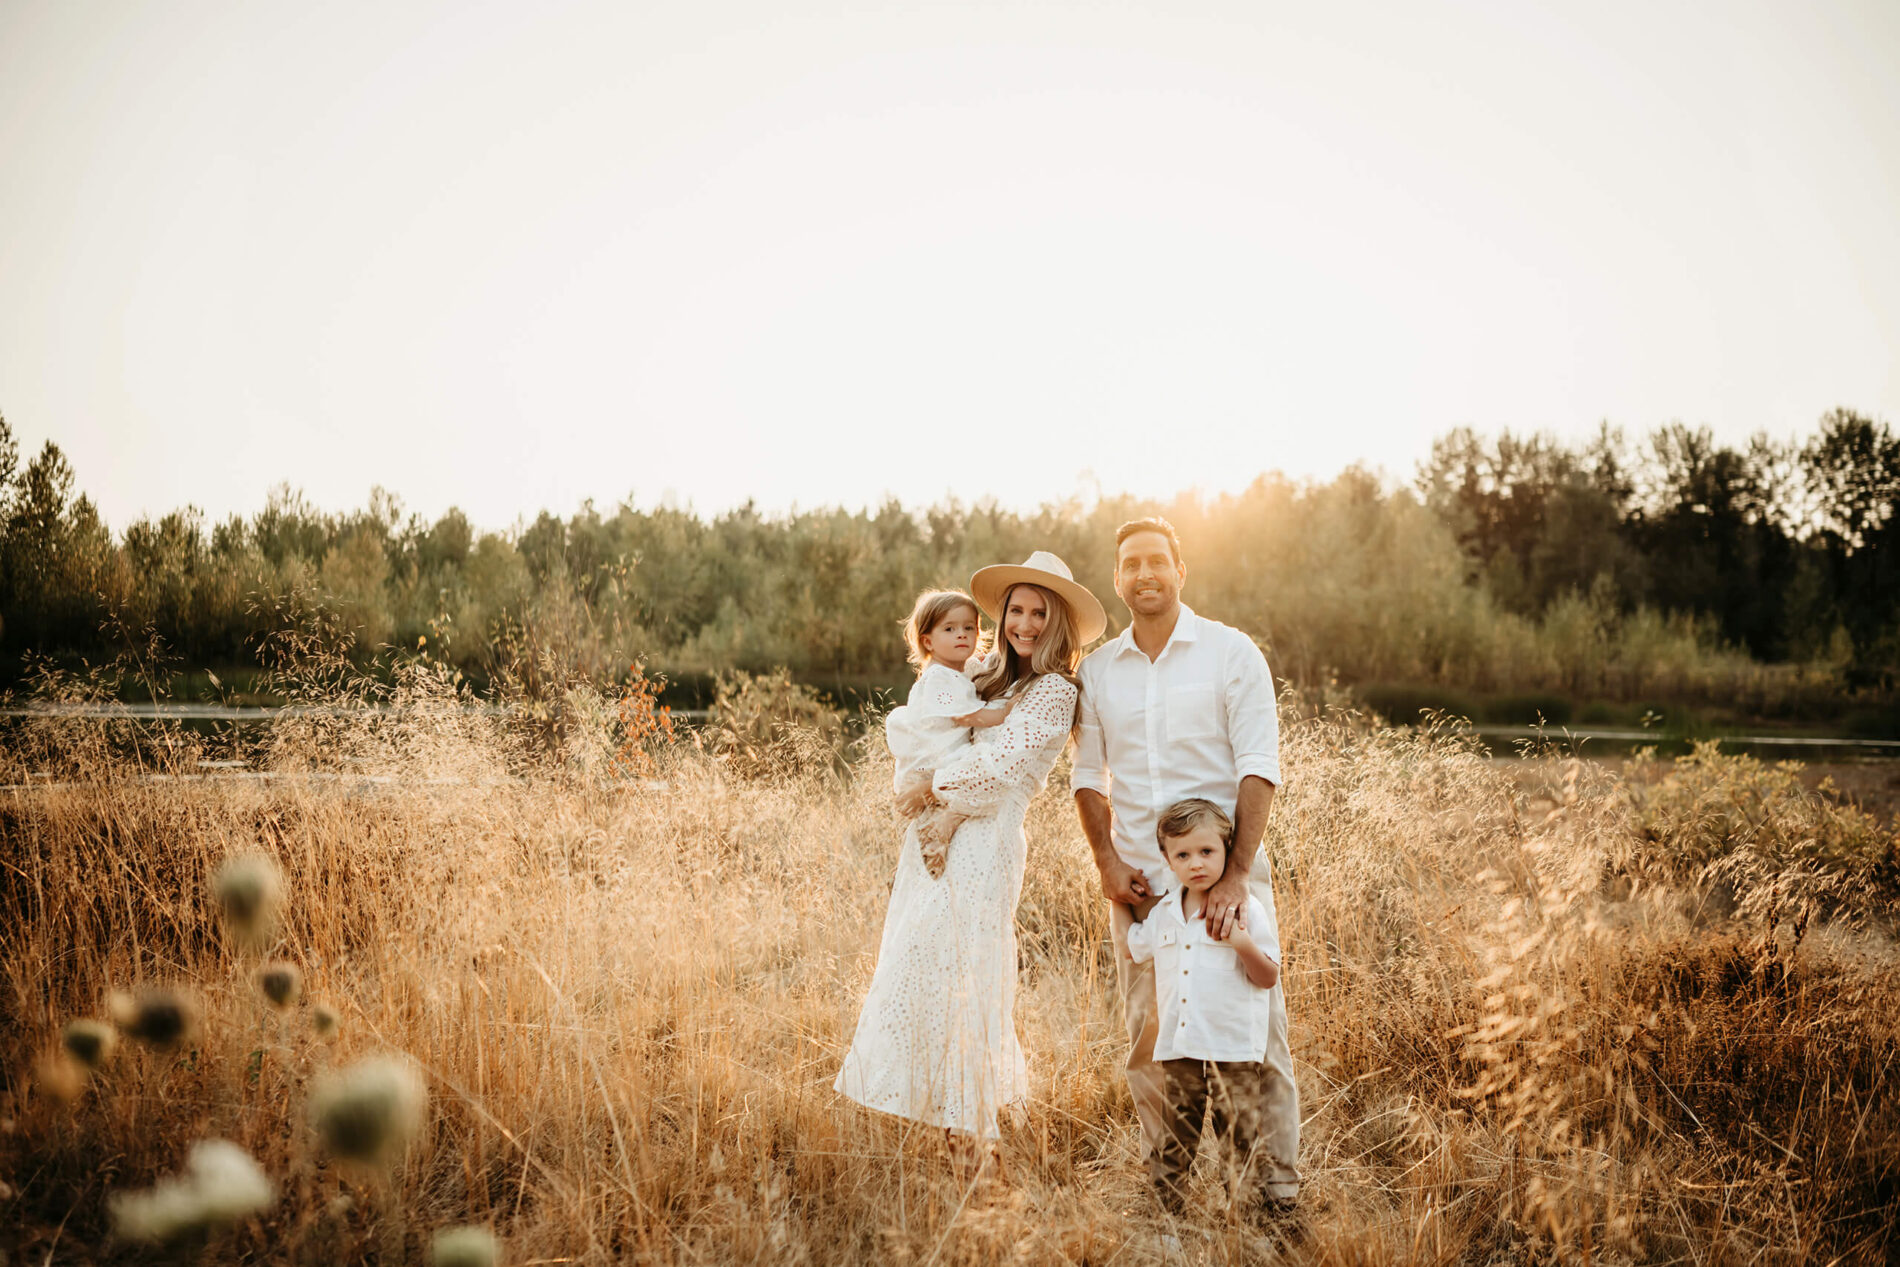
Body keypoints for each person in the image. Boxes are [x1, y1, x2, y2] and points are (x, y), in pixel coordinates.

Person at [836, 552, 1106, 1139]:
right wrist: (918, 776)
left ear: (1058, 622)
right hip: (931, 845)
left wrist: (930, 786)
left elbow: (999, 768)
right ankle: (929, 1114)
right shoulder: (984, 675)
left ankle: (974, 1127)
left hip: (985, 847)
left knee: (968, 979)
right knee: (920, 963)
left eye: (1040, 613)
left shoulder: (1054, 692)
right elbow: (928, 723)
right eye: (1016, 611)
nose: (1026, 625)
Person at [1072, 516, 1301, 1209]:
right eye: (1130, 564)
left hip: (1225, 877)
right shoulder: (1099, 670)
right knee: (1151, 1041)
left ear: (1180, 570)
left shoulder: (1231, 653)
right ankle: (1165, 1190)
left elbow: (1259, 767)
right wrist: (1107, 863)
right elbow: (1087, 776)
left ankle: (1273, 1194)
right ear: (1116, 579)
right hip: (1142, 888)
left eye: (1156, 562)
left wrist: (1235, 873)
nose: (1144, 574)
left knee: (1255, 1037)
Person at [1113, 799, 1285, 1215]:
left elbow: (1268, 976)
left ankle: (1241, 1224)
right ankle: (1168, 1219)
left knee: (1239, 1137)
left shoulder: (1246, 910)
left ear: (1226, 848)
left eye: (1206, 851)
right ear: (1167, 860)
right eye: (1183, 855)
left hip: (1234, 1049)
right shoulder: (1165, 915)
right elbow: (1132, 947)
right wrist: (1115, 899)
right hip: (1182, 1047)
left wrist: (1242, 943)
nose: (1196, 864)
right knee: (1176, 1136)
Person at [884, 589, 1015, 878]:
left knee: (954, 797)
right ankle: (926, 852)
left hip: (943, 754)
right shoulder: (939, 677)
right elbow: (967, 715)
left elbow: (975, 670)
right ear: (928, 641)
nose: (962, 635)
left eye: (969, 628)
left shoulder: (956, 670)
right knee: (979, 774)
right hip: (937, 757)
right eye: (950, 629)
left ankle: (920, 859)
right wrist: (1004, 713)